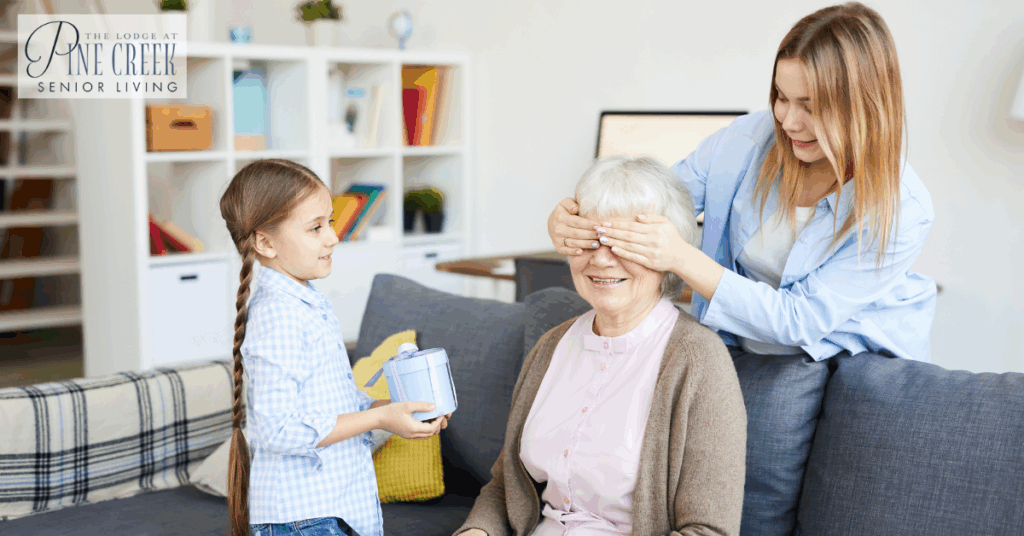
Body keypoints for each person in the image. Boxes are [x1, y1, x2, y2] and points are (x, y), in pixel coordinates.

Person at [548, 2, 936, 364]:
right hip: (744, 342)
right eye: (781, 97)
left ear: (864, 107)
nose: (788, 121)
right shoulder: (748, 140)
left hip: (856, 360)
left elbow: (798, 321)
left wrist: (681, 257)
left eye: (811, 106)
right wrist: (572, 219)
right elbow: (658, 200)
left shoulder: (903, 209)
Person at [456, 156, 747, 536]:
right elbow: (505, 486)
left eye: (625, 243)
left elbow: (709, 531)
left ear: (666, 252)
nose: (603, 259)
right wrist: (475, 532)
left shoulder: (698, 361)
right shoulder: (552, 346)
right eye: (589, 240)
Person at [219, 159, 450, 536]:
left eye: (330, 222)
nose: (333, 238)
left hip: (333, 509)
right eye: (316, 228)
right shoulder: (279, 315)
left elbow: (328, 406)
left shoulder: (306, 303)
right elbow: (278, 430)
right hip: (305, 517)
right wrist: (378, 420)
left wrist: (388, 411)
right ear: (265, 242)